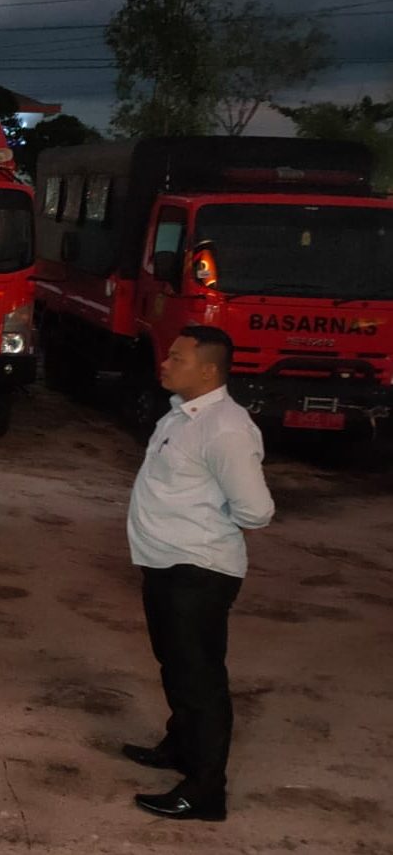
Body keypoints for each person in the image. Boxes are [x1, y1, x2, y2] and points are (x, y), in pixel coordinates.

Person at [123, 326, 274, 822]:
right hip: (165, 563)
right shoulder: (180, 415)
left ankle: (206, 791)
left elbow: (255, 510)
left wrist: (204, 530)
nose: (164, 362)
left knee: (200, 678)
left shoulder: (225, 428)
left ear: (208, 370)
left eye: (176, 356)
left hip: (199, 569)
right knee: (175, 665)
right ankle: (181, 747)